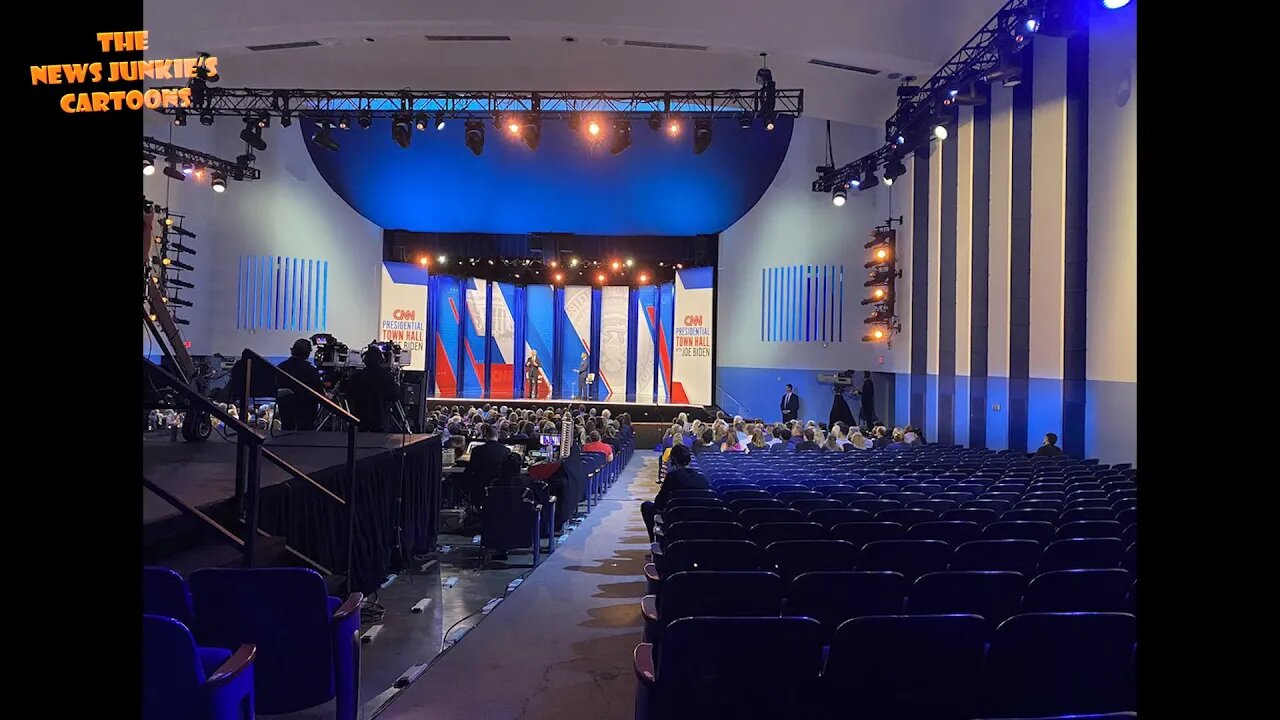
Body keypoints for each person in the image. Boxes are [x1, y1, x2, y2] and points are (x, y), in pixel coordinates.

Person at [641, 443, 709, 542]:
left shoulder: (671, 477)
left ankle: (656, 543)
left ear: (672, 460)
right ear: (690, 460)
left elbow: (659, 504)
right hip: (699, 521)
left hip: (673, 520)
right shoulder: (702, 478)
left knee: (646, 506)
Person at [342, 348, 400, 432]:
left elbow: (348, 395)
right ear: (381, 360)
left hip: (360, 419)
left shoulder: (356, 377)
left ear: (365, 360)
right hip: (380, 421)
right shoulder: (387, 377)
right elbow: (395, 397)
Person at [276, 338, 326, 431]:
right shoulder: (311, 371)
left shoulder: (280, 367)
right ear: (307, 353)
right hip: (306, 415)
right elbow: (319, 393)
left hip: (285, 413)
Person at [462, 423, 514, 507]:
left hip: (480, 486)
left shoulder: (476, 450)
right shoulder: (506, 450)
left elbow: (470, 469)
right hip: (499, 487)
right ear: (497, 436)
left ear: (485, 436)